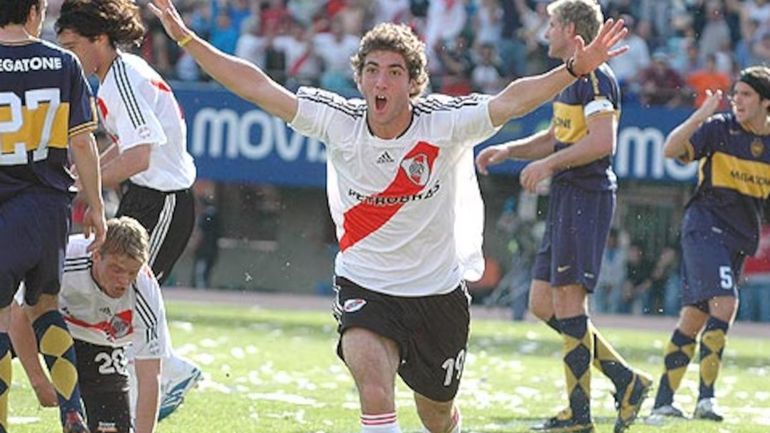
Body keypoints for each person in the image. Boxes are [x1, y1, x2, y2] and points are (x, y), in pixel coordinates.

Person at [148, 0, 627, 431]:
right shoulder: (337, 119)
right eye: (372, 70)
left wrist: (571, 69)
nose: (381, 82)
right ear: (359, 78)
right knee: (374, 393)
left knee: (436, 415)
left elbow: (512, 99)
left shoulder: (443, 122)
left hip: (436, 293)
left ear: (414, 82)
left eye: (395, 72)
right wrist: (188, 39)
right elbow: (258, 86)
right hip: (365, 285)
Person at [475, 1, 650, 432]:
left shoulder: (595, 77)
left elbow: (602, 141)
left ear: (570, 28)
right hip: (567, 198)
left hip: (585, 197)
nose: (544, 30)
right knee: (542, 303)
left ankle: (579, 416)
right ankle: (626, 380)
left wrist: (549, 166)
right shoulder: (571, 78)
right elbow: (559, 136)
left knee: (571, 305)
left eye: (551, 23)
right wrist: (512, 151)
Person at [54, 0, 201, 420]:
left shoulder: (123, 79)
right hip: (148, 196)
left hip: (163, 200)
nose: (69, 55)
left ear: (100, 39)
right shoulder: (118, 76)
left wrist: (90, 188)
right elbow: (127, 145)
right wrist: (86, 177)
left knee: (126, 292)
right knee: (120, 292)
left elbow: (139, 156)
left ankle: (168, 373)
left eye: (73, 45)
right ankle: (150, 382)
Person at [0, 0, 107, 431]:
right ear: (34, 12)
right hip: (50, 206)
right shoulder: (64, 63)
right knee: (45, 306)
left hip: (5, 207)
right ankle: (71, 410)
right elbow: (83, 143)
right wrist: (96, 206)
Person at [650, 67, 770, 421]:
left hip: (738, 239)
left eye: (746, 94)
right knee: (726, 303)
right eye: (736, 93)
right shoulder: (719, 129)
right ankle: (706, 400)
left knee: (694, 317)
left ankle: (662, 402)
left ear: (766, 102)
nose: (737, 100)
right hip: (705, 227)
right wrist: (701, 115)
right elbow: (670, 150)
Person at [10, 217, 170, 433]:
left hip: (101, 345)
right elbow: (18, 315)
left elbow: (150, 374)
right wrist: (39, 380)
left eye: (132, 272)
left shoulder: (145, 291)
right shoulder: (64, 258)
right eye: (116, 269)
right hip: (47, 329)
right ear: (96, 255)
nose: (124, 281)